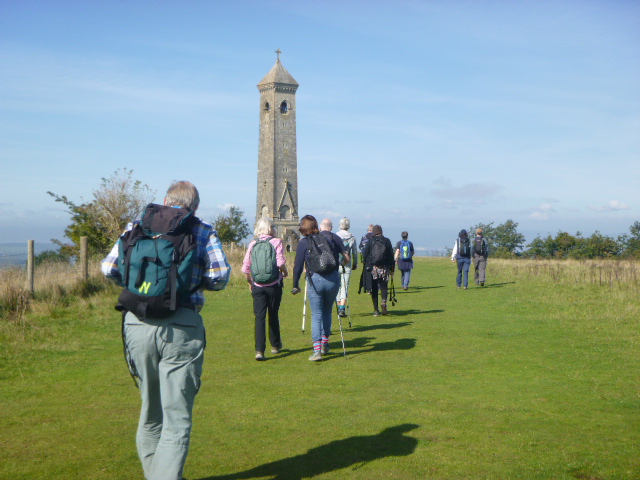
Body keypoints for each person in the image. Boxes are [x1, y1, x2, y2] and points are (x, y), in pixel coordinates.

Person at [101, 181, 231, 480]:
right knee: (177, 417)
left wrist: (142, 287)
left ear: (165, 200)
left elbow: (108, 269)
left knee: (151, 411)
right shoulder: (201, 229)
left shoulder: (138, 225)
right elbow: (220, 276)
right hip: (181, 324)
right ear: (193, 206)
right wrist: (190, 283)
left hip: (136, 322)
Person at [291, 215, 349, 361]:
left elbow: (298, 266)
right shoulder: (330, 238)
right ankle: (325, 343)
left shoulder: (304, 243)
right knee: (327, 311)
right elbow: (342, 258)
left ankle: (317, 350)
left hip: (315, 279)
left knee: (316, 314)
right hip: (332, 279)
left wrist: (295, 284)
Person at [242, 217, 288, 361]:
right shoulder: (276, 242)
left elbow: (245, 267)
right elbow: (280, 262)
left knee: (259, 317)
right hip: (274, 284)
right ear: (270, 228)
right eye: (273, 227)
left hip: (257, 286)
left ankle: (259, 350)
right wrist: (285, 273)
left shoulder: (253, 244)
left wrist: (250, 282)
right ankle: (275, 345)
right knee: (273, 314)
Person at [361, 225, 395, 316]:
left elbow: (365, 254)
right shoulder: (387, 241)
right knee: (384, 286)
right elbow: (391, 255)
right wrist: (392, 268)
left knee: (374, 288)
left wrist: (366, 264)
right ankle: (384, 301)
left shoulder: (371, 241)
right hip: (384, 267)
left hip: (373, 268)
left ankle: (376, 310)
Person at [335, 217, 358, 317]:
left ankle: (339, 305)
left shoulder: (335, 236)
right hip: (347, 264)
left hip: (337, 264)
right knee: (345, 286)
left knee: (338, 286)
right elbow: (355, 252)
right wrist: (355, 263)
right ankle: (342, 308)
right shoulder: (352, 237)